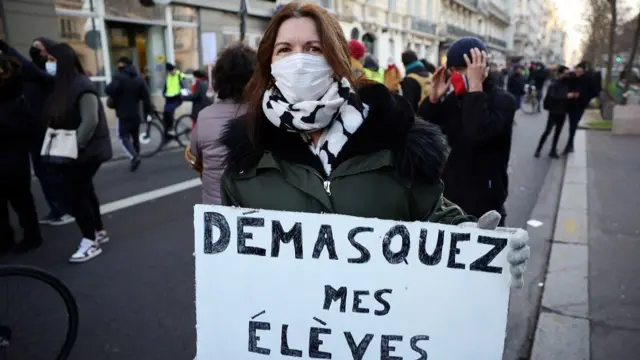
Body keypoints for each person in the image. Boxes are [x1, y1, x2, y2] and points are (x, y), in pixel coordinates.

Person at [218, 2, 528, 288]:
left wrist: (481, 248)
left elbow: (434, 214)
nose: (299, 61)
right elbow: (238, 266)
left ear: (336, 59)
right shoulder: (247, 159)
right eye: (285, 49)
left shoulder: (394, 140)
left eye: (314, 49)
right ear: (269, 63)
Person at [418, 37, 516, 226]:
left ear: (481, 69)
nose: (456, 76)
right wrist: (433, 101)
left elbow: (478, 132)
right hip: (451, 194)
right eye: (453, 71)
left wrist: (475, 88)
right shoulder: (454, 100)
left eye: (463, 70)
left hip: (485, 199)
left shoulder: (503, 101)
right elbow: (425, 131)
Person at [43, 43, 113, 262]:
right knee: (85, 191)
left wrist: (74, 146)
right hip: (78, 152)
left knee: (77, 195)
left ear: (63, 62)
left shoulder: (81, 85)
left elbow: (90, 121)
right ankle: (98, 232)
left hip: (83, 153)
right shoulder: (66, 85)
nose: (48, 64)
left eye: (52, 60)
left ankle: (89, 240)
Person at [186, 43, 256, 204]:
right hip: (255, 215)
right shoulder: (266, 116)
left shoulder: (204, 117)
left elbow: (196, 157)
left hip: (216, 215)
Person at [25, 38, 75, 225]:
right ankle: (59, 208)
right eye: (35, 47)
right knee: (45, 171)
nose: (38, 52)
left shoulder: (50, 72)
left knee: (54, 170)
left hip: (51, 127)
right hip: (36, 129)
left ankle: (62, 209)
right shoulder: (30, 73)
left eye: (41, 48)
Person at [0, 52, 43, 254]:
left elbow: (28, 129)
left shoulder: (17, 99)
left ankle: (31, 237)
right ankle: (7, 239)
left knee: (21, 201)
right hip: (13, 158)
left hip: (13, 159)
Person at [105, 56, 152, 172]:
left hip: (123, 114)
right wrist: (147, 114)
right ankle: (137, 155)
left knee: (123, 136)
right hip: (136, 113)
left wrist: (117, 75)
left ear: (122, 64)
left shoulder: (119, 77)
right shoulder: (139, 79)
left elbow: (108, 90)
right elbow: (146, 98)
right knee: (135, 136)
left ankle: (134, 156)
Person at [536, 65, 574, 158]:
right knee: (547, 131)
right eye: (565, 74)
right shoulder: (554, 85)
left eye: (568, 74)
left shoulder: (568, 84)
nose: (567, 75)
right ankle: (538, 150)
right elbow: (552, 97)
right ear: (560, 74)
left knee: (558, 133)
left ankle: (553, 150)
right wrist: (566, 96)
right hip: (554, 112)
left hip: (563, 112)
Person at [564, 61, 600, 154]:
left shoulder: (588, 79)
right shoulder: (572, 78)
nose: (578, 73)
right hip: (571, 104)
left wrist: (585, 98)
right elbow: (565, 87)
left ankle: (569, 144)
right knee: (572, 124)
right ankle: (570, 144)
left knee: (574, 124)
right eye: (577, 71)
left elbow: (594, 91)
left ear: (583, 71)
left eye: (579, 71)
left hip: (580, 104)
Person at [163, 62, 186, 141]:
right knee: (165, 115)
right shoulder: (168, 77)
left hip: (177, 98)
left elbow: (184, 86)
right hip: (169, 98)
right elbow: (166, 87)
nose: (170, 72)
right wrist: (164, 93)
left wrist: (182, 94)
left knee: (169, 111)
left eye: (171, 71)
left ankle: (171, 130)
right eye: (169, 71)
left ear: (174, 69)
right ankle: (167, 135)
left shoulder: (180, 75)